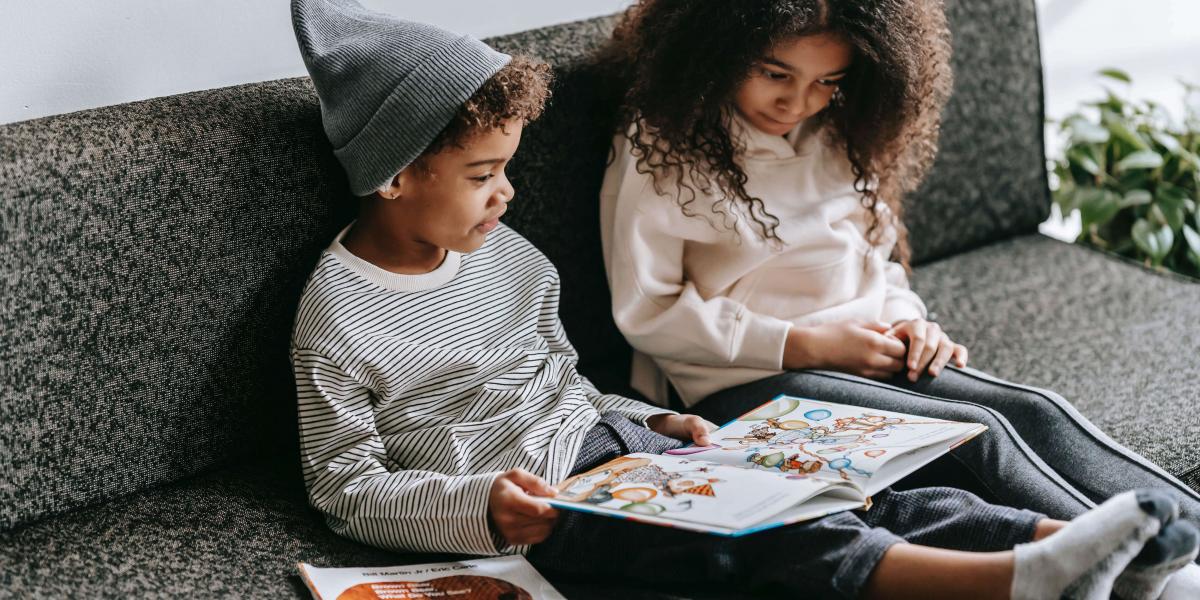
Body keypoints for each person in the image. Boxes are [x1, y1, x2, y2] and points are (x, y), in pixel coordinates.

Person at [287, 0, 1200, 598]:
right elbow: (344, 484)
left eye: (508, 172)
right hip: (548, 505)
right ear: (395, 176)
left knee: (836, 490)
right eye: (485, 175)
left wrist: (652, 424)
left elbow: (567, 385)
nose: (509, 195)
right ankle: (1023, 577)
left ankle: (1108, 554)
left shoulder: (512, 260)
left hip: (629, 443)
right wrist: (480, 505)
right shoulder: (338, 315)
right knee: (772, 547)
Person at [597, 0, 1200, 533]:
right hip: (735, 384)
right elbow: (647, 312)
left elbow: (874, 260)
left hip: (865, 351)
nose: (796, 101)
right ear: (719, 49)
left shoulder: (836, 130)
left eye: (826, 80)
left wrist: (910, 320)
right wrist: (806, 345)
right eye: (773, 73)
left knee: (1036, 410)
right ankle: (1140, 559)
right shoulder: (660, 146)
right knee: (975, 436)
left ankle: (1187, 534)